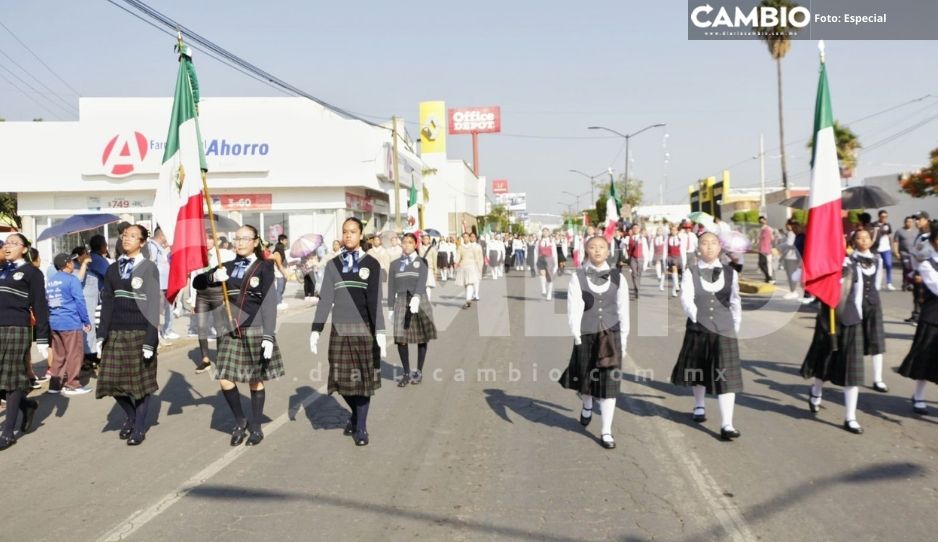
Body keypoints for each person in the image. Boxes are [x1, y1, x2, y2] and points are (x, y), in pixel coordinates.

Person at [194, 225, 284, 446]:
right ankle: (240, 420)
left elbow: (269, 302)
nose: (240, 242)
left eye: (245, 238)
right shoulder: (227, 266)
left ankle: (256, 426)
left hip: (255, 328)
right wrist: (213, 275)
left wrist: (269, 336)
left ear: (255, 241)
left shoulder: (264, 266)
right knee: (225, 379)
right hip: (228, 329)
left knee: (255, 380)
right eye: (237, 238)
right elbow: (198, 283)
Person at [310, 217, 386, 446]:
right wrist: (316, 329)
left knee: (362, 383)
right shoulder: (333, 265)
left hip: (365, 330)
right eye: (345, 232)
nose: (349, 235)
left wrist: (380, 332)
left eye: (353, 231)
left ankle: (361, 428)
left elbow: (375, 302)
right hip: (340, 331)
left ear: (361, 235)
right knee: (341, 382)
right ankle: (355, 415)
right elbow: (325, 301)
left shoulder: (371, 264)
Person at [670, 232, 743, 441]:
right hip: (699, 327)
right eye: (704, 243)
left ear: (720, 248)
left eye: (713, 243)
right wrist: (697, 317)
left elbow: (735, 300)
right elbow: (686, 298)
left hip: (724, 329)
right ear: (698, 248)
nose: (709, 247)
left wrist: (734, 325)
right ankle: (699, 405)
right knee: (699, 368)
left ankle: (727, 424)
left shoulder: (730, 273)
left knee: (726, 374)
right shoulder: (691, 272)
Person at [559, 235, 629, 450]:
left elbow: (623, 309)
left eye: (601, 247)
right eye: (592, 247)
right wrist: (576, 333)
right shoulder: (578, 277)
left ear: (608, 252)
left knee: (609, 383)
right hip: (587, 334)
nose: (597, 251)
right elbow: (574, 307)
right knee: (586, 378)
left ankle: (606, 430)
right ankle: (587, 404)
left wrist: (624, 338)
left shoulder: (618, 277)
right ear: (586, 250)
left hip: (611, 335)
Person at [95, 224, 161, 446]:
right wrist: (100, 334)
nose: (127, 239)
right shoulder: (113, 269)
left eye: (133, 236)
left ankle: (139, 427)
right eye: (125, 235)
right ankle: (131, 415)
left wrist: (150, 340)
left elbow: (153, 306)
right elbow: (107, 303)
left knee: (139, 385)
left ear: (142, 242)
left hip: (140, 332)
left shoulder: (149, 267)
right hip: (115, 332)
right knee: (110, 382)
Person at [800, 231, 868, 435]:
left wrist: (857, 319)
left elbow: (858, 295)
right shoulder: (821, 266)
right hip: (826, 320)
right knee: (824, 361)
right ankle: (816, 391)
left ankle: (850, 417)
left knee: (852, 370)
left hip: (850, 321)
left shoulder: (854, 266)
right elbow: (803, 282)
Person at [0, 233, 48, 450]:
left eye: (13, 243)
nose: (8, 246)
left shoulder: (32, 273)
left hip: (16, 328)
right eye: (6, 243)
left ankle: (8, 432)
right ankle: (27, 404)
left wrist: (43, 337)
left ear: (25, 249)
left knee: (12, 378)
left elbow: (40, 305)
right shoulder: (1, 269)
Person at [897, 220, 938, 415]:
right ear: (934, 241)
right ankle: (919, 395)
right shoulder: (927, 265)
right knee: (925, 357)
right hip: (933, 317)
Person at [388, 233, 438, 387]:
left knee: (421, 338)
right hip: (402, 301)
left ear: (416, 244)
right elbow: (391, 287)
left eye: (410, 242)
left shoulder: (421, 261)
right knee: (401, 340)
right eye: (404, 242)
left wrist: (416, 297)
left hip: (419, 301)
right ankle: (406, 372)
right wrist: (390, 307)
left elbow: (422, 281)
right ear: (401, 244)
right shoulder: (395, 264)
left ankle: (419, 370)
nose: (407, 245)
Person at [46, 253, 93, 395]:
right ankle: (72, 385)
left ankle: (54, 386)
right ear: (67, 264)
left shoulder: (51, 281)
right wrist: (86, 320)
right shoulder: (72, 280)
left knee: (58, 355)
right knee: (74, 354)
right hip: (70, 321)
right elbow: (80, 301)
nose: (73, 264)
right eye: (72, 262)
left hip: (55, 321)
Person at [146, 228, 177, 341]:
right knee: (156, 311)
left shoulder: (160, 248)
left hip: (166, 284)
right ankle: (156, 334)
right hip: (157, 285)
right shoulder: (152, 246)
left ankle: (167, 331)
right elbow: (151, 263)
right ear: (162, 235)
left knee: (169, 308)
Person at [906, 211, 933, 324]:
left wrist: (920, 256)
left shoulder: (929, 234)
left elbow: (928, 252)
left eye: (919, 219)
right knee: (917, 293)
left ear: (926, 219)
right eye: (915, 219)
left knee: (923, 295)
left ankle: (922, 318)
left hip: (925, 270)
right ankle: (916, 315)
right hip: (917, 268)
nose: (916, 222)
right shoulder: (920, 234)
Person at [456, 232, 484, 308]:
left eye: (467, 237)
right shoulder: (460, 247)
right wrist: (455, 262)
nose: (465, 238)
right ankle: (469, 298)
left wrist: (479, 267)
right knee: (466, 284)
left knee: (470, 283)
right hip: (463, 267)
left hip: (472, 267)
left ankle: (468, 299)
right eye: (464, 237)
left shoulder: (474, 247)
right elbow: (458, 256)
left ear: (469, 238)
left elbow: (479, 258)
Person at [872, 210, 896, 290]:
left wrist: (892, 247)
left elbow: (890, 236)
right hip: (877, 249)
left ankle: (889, 283)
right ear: (879, 217)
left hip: (886, 249)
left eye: (886, 217)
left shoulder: (888, 225)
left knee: (889, 264)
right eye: (883, 217)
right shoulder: (874, 225)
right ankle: (876, 283)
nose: (884, 218)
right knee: (877, 267)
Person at [780, 221, 803, 300]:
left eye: (787, 225)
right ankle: (793, 291)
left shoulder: (791, 233)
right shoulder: (793, 233)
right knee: (792, 275)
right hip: (793, 256)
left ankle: (793, 292)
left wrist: (779, 247)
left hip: (791, 257)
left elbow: (789, 244)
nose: (786, 226)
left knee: (791, 275)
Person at [625, 224, 648, 298]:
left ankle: (637, 286)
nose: (635, 229)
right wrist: (624, 243)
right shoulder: (628, 238)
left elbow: (645, 250)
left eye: (637, 228)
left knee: (639, 274)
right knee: (634, 273)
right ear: (632, 229)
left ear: (639, 229)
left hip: (641, 257)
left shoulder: (643, 238)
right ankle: (636, 288)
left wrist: (646, 262)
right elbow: (623, 247)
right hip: (633, 258)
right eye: (634, 228)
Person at [896, 216, 918, 291]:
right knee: (906, 268)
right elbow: (896, 242)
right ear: (905, 222)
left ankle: (910, 283)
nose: (910, 223)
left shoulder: (916, 231)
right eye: (908, 222)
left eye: (911, 222)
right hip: (904, 253)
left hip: (913, 254)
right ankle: (905, 283)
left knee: (912, 268)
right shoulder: (899, 231)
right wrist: (896, 252)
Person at [536, 228, 557, 300]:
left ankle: (549, 293)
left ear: (549, 233)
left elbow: (554, 253)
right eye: (544, 231)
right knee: (542, 273)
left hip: (550, 260)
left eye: (546, 231)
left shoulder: (552, 241)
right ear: (542, 233)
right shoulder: (538, 242)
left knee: (549, 278)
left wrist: (556, 265)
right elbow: (536, 252)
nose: (545, 233)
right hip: (541, 259)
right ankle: (544, 288)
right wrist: (535, 262)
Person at [417, 233, 438, 302]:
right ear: (422, 240)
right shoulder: (420, 248)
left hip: (429, 268)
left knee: (428, 285)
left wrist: (435, 269)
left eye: (427, 239)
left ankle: (428, 300)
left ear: (429, 240)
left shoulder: (432, 248)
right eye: (424, 239)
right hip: (421, 268)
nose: (425, 240)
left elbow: (435, 259)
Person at [271, 233, 289, 311]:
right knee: (280, 288)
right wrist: (284, 272)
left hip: (282, 271)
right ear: (281, 241)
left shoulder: (281, 251)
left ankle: (280, 300)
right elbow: (278, 264)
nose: (286, 242)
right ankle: (278, 303)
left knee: (282, 287)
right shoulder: (277, 252)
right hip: (279, 272)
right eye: (285, 240)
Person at [757, 216, 775, 284]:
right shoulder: (761, 229)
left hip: (767, 249)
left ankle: (769, 277)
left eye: (762, 221)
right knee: (763, 264)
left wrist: (772, 248)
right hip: (762, 249)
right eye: (760, 222)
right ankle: (768, 277)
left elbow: (772, 239)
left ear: (765, 221)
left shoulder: (768, 229)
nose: (761, 223)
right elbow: (759, 240)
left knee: (766, 264)